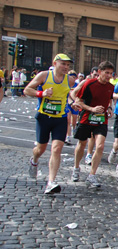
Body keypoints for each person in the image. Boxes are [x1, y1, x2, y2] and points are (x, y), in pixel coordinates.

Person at [24, 54, 77, 194]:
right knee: (40, 149)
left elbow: (69, 96)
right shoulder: (44, 75)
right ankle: (34, 160)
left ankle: (51, 182)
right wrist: (41, 93)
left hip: (60, 118)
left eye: (68, 65)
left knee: (57, 148)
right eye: (63, 64)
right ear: (55, 63)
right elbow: (27, 90)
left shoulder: (70, 80)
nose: (66, 67)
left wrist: (74, 103)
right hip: (44, 117)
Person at [70, 61, 115, 188]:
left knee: (100, 146)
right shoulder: (89, 84)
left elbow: (109, 100)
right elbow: (79, 101)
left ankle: (92, 175)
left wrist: (110, 109)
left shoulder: (110, 87)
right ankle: (76, 168)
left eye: (111, 73)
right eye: (106, 73)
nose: (109, 76)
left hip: (101, 119)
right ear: (99, 72)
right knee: (82, 143)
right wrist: (92, 109)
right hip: (86, 117)